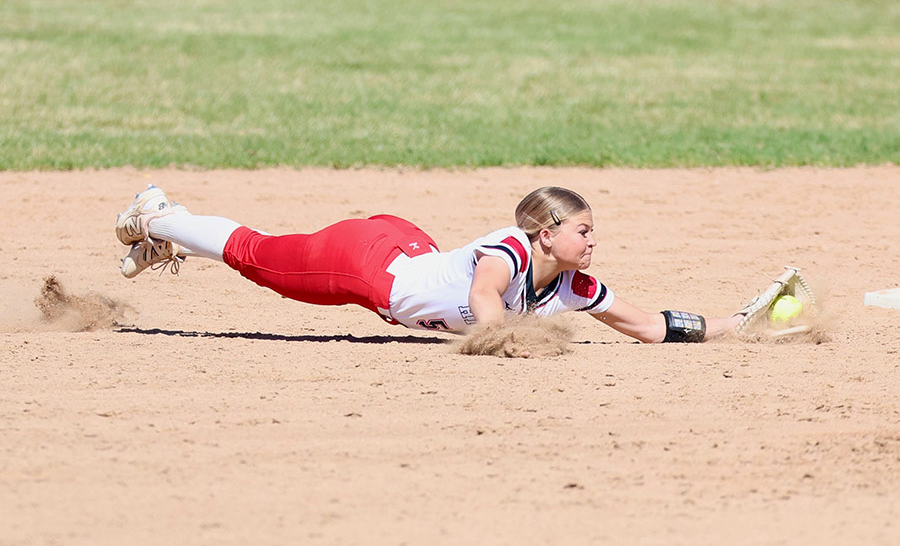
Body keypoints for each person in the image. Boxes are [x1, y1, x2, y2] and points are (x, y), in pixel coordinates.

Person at [115, 185, 744, 344]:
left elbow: (649, 327)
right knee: (255, 255)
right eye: (582, 230)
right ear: (546, 234)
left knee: (262, 251)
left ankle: (172, 238)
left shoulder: (572, 286)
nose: (593, 240)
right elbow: (486, 293)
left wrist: (738, 323)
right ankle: (158, 215)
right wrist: (506, 342)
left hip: (407, 244)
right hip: (364, 267)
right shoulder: (512, 248)